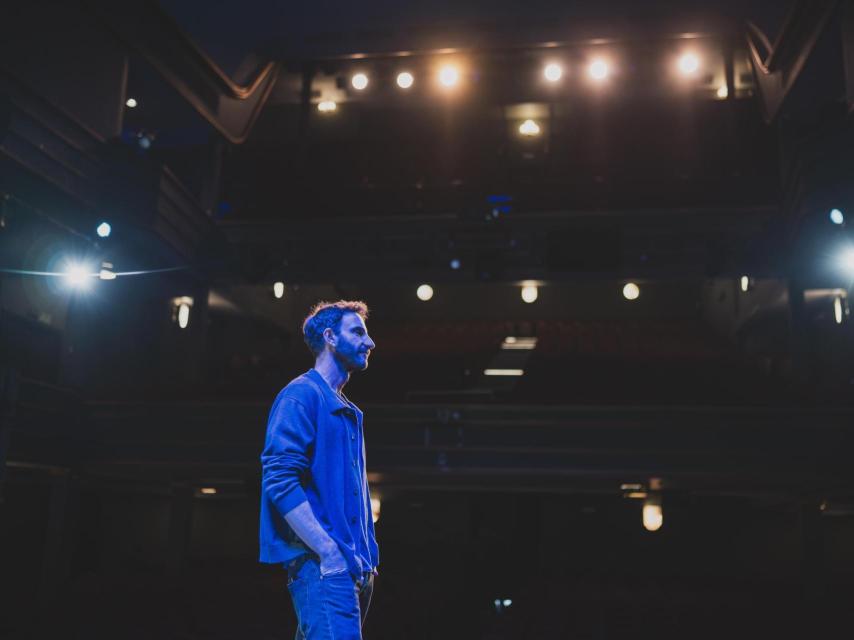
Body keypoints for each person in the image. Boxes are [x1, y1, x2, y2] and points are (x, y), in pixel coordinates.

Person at [260, 300, 379, 640]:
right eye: (358, 332)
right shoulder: (301, 395)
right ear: (330, 337)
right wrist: (328, 552)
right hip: (326, 567)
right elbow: (279, 479)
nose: (369, 343)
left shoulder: (346, 408)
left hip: (352, 568)